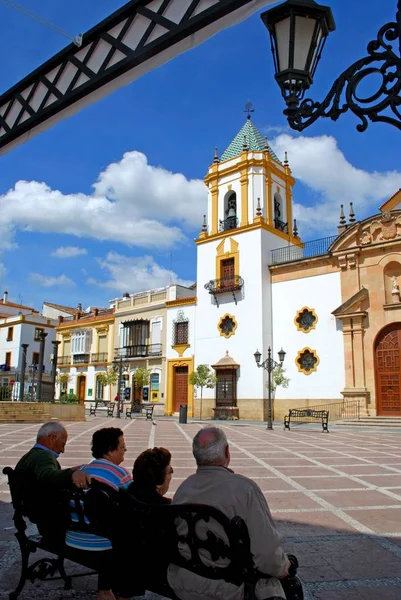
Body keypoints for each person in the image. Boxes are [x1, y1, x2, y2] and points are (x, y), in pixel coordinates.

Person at [168, 426, 291, 600]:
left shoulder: (183, 488)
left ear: (196, 455)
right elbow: (267, 555)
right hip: (230, 589)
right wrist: (284, 566)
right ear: (227, 452)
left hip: (183, 582)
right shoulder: (245, 490)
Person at [65, 427, 135, 600]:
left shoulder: (80, 471)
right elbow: (134, 507)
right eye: (122, 447)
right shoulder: (121, 474)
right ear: (111, 451)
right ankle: (120, 593)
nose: (124, 451)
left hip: (73, 537)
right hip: (102, 543)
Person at [14, 421, 91, 543]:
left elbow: (44, 472)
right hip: (49, 518)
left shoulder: (31, 455)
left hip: (36, 512)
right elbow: (46, 475)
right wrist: (71, 475)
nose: (63, 450)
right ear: (51, 438)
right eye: (62, 444)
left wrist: (71, 470)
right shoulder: (44, 456)